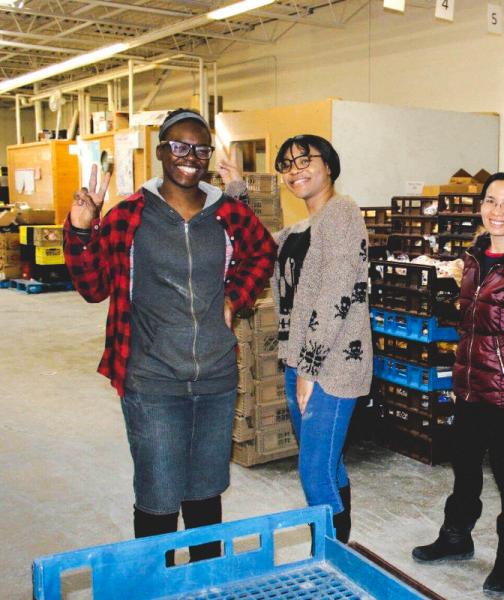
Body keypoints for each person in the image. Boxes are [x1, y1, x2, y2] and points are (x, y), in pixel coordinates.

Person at [63, 108, 276, 561]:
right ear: (161, 151)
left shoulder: (227, 214)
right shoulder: (130, 215)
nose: (190, 157)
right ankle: (155, 583)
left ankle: (203, 583)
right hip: (152, 380)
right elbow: (93, 287)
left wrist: (234, 298)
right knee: (158, 497)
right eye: (179, 146)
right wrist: (81, 231)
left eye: (200, 149)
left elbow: (262, 251)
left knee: (205, 495)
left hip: (216, 378)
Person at [412, 172, 504, 597]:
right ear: (481, 206)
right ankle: (456, 537)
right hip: (470, 383)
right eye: (491, 201)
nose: (498, 211)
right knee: (464, 466)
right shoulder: (475, 257)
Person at [268, 134, 371, 543]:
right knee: (328, 464)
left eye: (304, 160)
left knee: (313, 472)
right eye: (287, 164)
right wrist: (238, 189)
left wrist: (308, 370)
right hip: (301, 360)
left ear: (328, 165)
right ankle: (339, 548)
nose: (295, 170)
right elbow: (256, 246)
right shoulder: (299, 228)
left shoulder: (342, 213)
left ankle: (328, 554)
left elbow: (336, 294)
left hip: (332, 365)